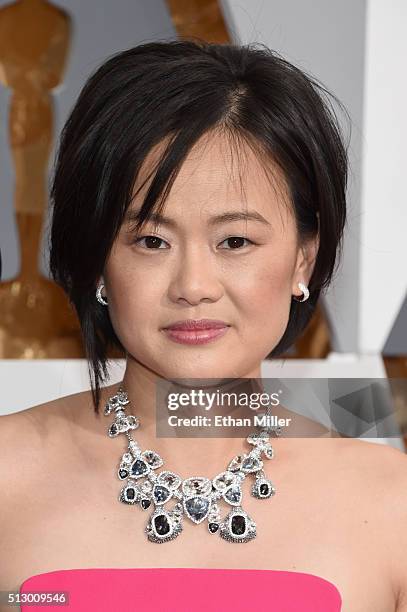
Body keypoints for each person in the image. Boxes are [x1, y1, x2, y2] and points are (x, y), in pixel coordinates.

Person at [0, 39, 406, 611]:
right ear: (97, 261)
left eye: (235, 241)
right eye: (151, 241)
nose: (193, 285)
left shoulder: (392, 504)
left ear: (303, 260)